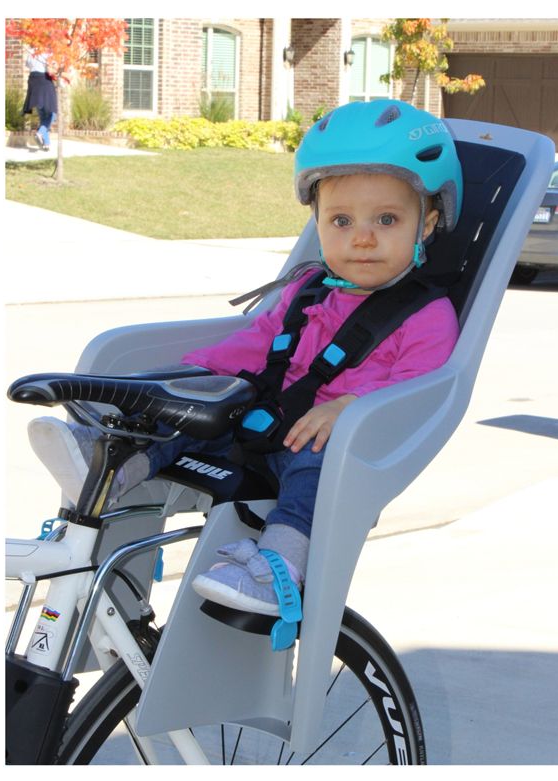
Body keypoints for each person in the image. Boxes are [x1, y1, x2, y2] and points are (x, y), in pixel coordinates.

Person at [27, 99, 462, 618]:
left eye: (387, 219)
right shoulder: (308, 290)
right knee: (195, 412)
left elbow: (418, 392)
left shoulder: (427, 315)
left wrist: (348, 406)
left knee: (316, 468)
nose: (362, 237)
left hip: (336, 449)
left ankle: (276, 568)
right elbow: (255, 343)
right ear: (317, 222)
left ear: (428, 223)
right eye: (341, 220)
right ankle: (112, 465)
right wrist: (193, 377)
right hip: (263, 418)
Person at [23, 47, 57, 151]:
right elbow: (51, 71)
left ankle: (46, 144)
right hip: (44, 80)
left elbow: (28, 64)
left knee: (42, 113)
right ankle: (40, 132)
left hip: (33, 81)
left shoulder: (31, 51)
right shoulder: (48, 51)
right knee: (53, 113)